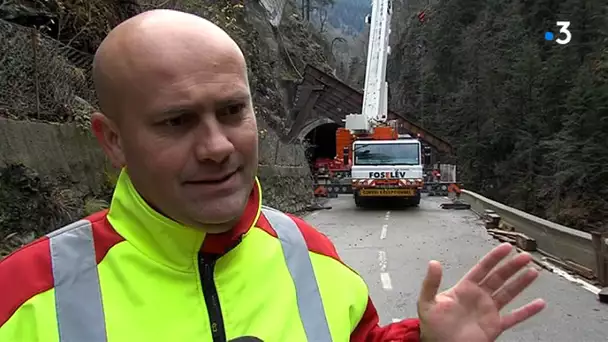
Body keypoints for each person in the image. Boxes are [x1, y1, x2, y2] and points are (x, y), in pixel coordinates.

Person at [0, 9, 546, 342]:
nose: (216, 147)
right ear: (113, 140)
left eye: (233, 111)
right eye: (177, 121)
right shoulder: (22, 298)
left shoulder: (311, 256)